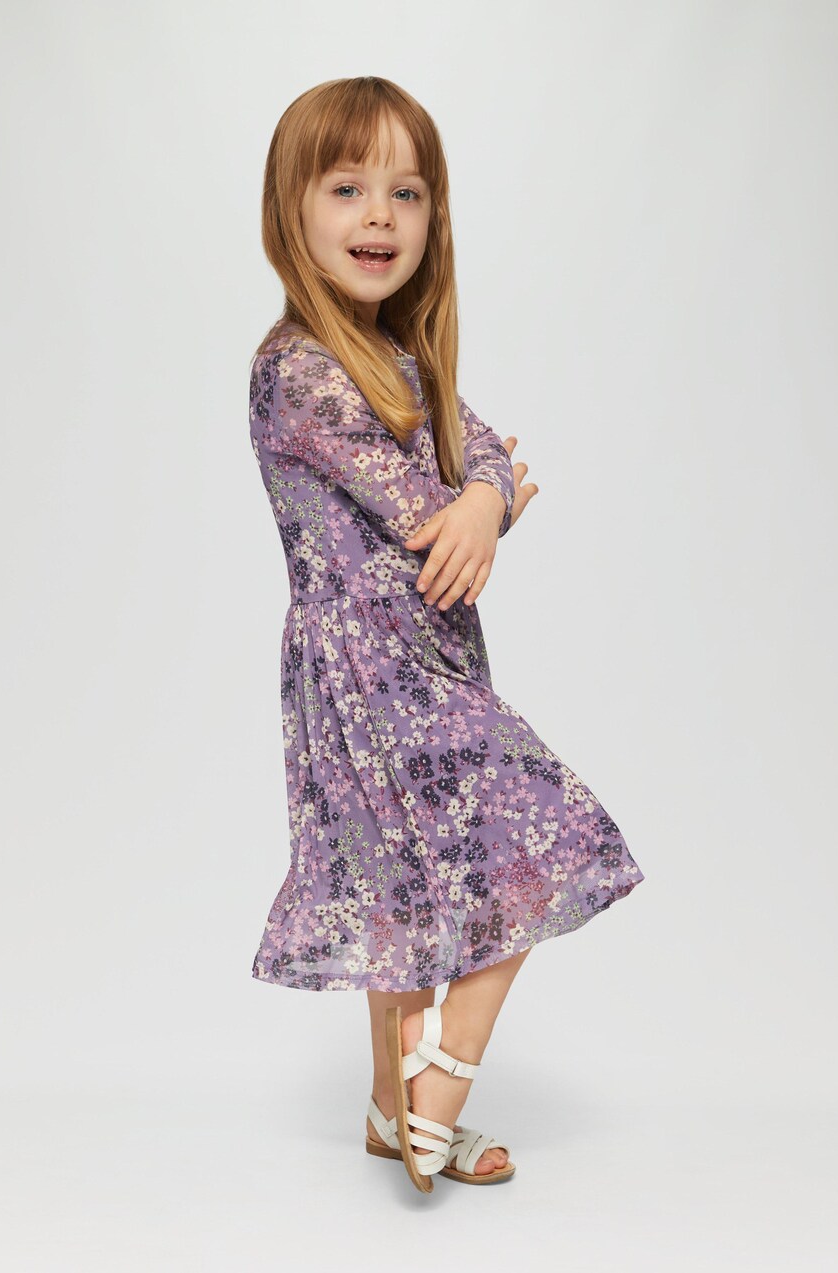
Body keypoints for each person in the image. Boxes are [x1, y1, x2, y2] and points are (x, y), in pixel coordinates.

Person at [247, 76, 646, 1192]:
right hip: (369, 673)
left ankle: (394, 1111)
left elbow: (490, 456)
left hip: (426, 657)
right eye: (347, 188)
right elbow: (441, 500)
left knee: (408, 892)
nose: (380, 214)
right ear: (292, 210)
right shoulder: (298, 372)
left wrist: (487, 493)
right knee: (537, 831)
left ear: (433, 217)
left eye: (406, 192)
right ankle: (442, 1080)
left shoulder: (409, 365)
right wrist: (480, 499)